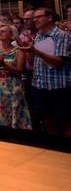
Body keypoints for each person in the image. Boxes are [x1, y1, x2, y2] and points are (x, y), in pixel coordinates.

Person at [19, 8, 71, 137]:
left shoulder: (62, 36)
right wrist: (29, 51)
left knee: (65, 122)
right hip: (40, 85)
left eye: (38, 17)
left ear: (49, 18)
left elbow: (59, 62)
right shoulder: (39, 35)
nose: (34, 20)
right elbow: (32, 62)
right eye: (34, 17)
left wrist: (36, 51)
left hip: (58, 87)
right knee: (47, 120)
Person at [0, 24, 31, 130]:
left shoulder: (19, 50)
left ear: (11, 35)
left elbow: (19, 71)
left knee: (12, 109)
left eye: (3, 31)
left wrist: (4, 64)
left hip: (12, 84)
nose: (0, 33)